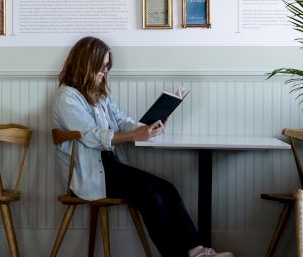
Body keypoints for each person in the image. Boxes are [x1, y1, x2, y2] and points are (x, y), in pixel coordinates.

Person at [51, 37, 234, 257]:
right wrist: (133, 135)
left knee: (167, 188)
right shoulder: (67, 97)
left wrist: (148, 127)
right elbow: (91, 137)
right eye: (101, 67)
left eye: (107, 66)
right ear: (85, 64)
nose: (105, 72)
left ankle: (198, 252)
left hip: (109, 167)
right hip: (90, 173)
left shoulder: (99, 95)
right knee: (149, 195)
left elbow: (121, 120)